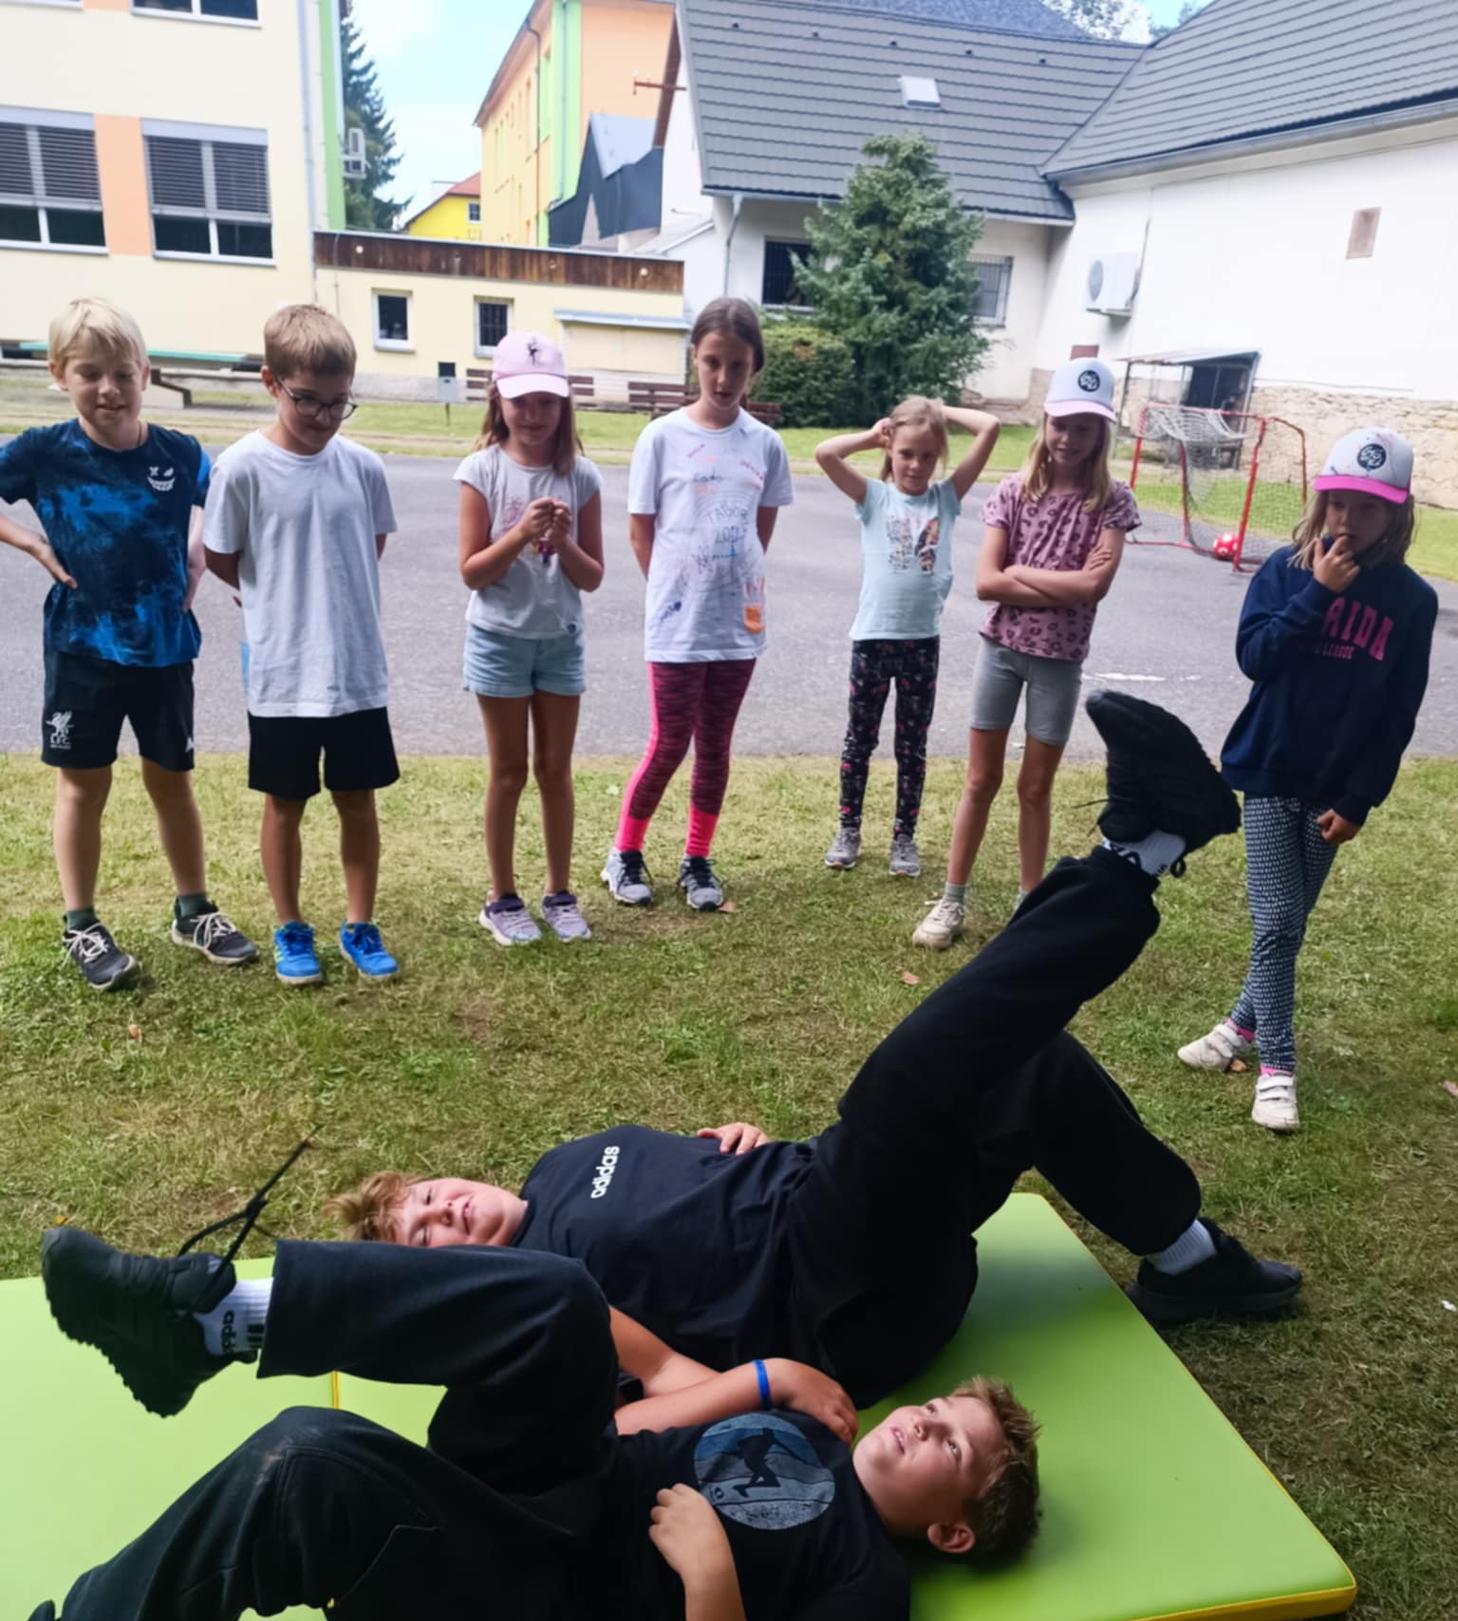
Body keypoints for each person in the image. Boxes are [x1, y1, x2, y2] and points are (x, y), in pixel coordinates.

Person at [337, 696, 1302, 1384]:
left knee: (1023, 1064)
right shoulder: (528, 1298)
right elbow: (640, 1394)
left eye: (426, 1197)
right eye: (427, 1238)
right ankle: (1136, 853)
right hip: (830, 1301)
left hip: (826, 1197)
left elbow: (684, 1189)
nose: (443, 1211)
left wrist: (732, 1147)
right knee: (907, 1078)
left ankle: (1191, 1264)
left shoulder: (561, 1166)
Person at [5, 1225, 1039, 1621]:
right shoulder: (807, 1431)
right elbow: (628, 1424)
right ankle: (215, 1326)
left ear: (950, 1530)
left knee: (306, 1465)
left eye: (950, 1445)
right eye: (936, 1408)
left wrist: (711, 1582)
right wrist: (761, 1382)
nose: (922, 1421)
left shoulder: (868, 1586)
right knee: (564, 1303)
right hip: (550, 1494)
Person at [1178, 428, 1436, 1134]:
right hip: (1269, 767)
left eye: (1369, 507)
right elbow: (1256, 658)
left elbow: (1399, 712)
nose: (1349, 519)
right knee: (1278, 920)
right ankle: (1277, 1069)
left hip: (1336, 787)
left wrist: (1360, 799)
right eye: (1339, 502)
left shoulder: (1412, 601)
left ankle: (1235, 1031)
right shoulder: (1284, 572)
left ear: (1397, 512)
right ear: (1321, 501)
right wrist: (1317, 594)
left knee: (1286, 925)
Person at [0, 298, 256, 990]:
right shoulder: (43, 452)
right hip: (81, 649)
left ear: (145, 373)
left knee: (172, 781)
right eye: (90, 373)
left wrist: (202, 550)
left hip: (165, 648)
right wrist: (28, 542)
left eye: (122, 373)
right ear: (60, 374)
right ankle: (80, 923)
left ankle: (193, 910)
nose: (108, 389)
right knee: (84, 785)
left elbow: (226, 505)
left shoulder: (178, 453)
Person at [203, 305, 400, 987]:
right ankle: (290, 926)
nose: (323, 415)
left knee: (358, 799)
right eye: (307, 399)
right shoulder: (241, 468)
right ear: (272, 382)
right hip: (283, 672)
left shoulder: (364, 468)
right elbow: (222, 556)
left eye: (338, 402)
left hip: (355, 671)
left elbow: (370, 547)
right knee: (284, 804)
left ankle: (359, 923)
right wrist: (271, 596)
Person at [914, 358, 1140, 950]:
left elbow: (1094, 587)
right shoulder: (1013, 492)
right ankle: (952, 899)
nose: (1070, 438)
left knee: (1035, 788)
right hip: (1001, 653)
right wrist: (1055, 581)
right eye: (1061, 424)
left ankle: (1029, 905)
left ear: (1101, 433)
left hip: (1059, 662)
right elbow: (987, 582)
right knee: (980, 779)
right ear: (1045, 422)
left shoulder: (1112, 501)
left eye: (1085, 427)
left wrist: (1021, 572)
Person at [602, 299, 794, 914]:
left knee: (715, 747)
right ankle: (625, 852)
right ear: (694, 358)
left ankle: (697, 857)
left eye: (737, 365)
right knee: (669, 743)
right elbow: (642, 532)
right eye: (712, 362)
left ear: (754, 367)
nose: (723, 378)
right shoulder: (661, 437)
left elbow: (759, 532)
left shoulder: (765, 445)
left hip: (737, 626)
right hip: (677, 627)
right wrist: (677, 593)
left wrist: (728, 588)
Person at [456, 332, 604, 946]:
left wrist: (563, 541)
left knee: (555, 770)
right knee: (509, 771)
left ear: (564, 405)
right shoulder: (481, 470)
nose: (534, 414)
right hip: (499, 640)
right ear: (499, 398)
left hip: (560, 641)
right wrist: (519, 533)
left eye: (547, 402)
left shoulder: (581, 476)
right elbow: (472, 571)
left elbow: (591, 577)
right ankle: (501, 897)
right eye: (522, 401)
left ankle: (559, 892)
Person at [815, 397, 1000, 879]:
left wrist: (941, 411)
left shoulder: (946, 498)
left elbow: (990, 427)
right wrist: (871, 435)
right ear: (890, 451)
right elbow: (825, 454)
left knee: (911, 747)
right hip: (873, 641)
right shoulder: (874, 497)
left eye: (927, 455)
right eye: (906, 454)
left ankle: (904, 837)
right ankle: (848, 829)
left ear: (938, 456)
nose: (916, 465)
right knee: (859, 741)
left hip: (921, 643)